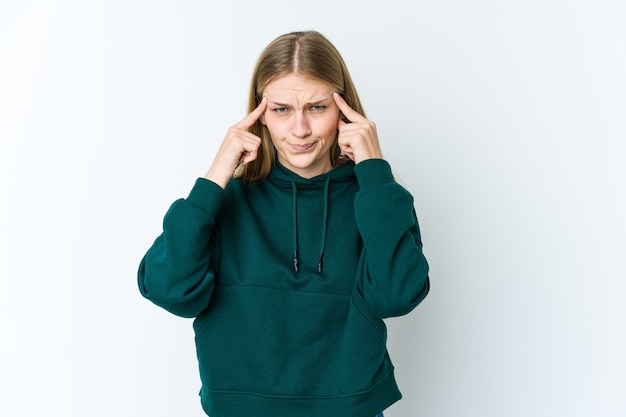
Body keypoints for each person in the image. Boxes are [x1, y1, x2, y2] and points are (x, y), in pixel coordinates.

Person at [138, 30, 430, 417]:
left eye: (316, 108)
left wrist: (374, 171)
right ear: (259, 113)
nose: (300, 130)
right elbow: (171, 290)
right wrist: (216, 175)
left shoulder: (376, 198)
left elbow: (396, 296)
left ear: (344, 111)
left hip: (349, 408)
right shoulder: (225, 198)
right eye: (281, 110)